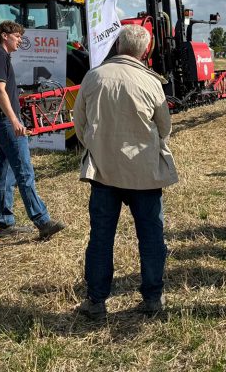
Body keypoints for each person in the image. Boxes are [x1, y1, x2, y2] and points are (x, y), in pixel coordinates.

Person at [73, 24, 178, 318]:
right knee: (151, 236)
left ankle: (96, 301)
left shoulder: (93, 77)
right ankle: (153, 298)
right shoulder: (151, 82)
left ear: (118, 46)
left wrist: (97, 147)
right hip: (144, 172)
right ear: (145, 51)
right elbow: (165, 128)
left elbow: (79, 123)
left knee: (101, 237)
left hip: (103, 171)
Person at [0, 21, 66, 240]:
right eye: (17, 36)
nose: (20, 40)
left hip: (1, 121)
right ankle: (42, 221)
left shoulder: (0, 56)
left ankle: (5, 224)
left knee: (5, 173)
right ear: (4, 36)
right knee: (24, 171)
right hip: (5, 122)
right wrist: (14, 120)